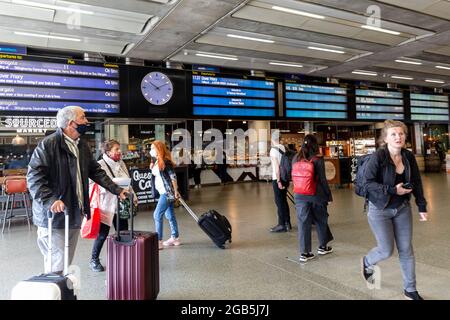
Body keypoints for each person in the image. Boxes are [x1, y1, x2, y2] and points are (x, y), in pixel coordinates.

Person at [27, 106, 128, 274]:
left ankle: (60, 292)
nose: (87, 121)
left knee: (65, 262)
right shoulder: (48, 145)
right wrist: (51, 200)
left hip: (73, 214)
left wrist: (117, 190)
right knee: (56, 266)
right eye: (83, 117)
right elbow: (33, 178)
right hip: (54, 216)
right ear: (71, 123)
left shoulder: (81, 145)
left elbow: (96, 171)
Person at [361, 120, 428, 300]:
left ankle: (410, 289)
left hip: (402, 208)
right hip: (379, 209)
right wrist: (392, 190)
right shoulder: (379, 157)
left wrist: (421, 205)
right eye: (393, 134)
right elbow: (367, 183)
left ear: (405, 136)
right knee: (386, 250)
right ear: (386, 139)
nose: (398, 137)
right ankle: (367, 261)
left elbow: (417, 181)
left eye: (401, 133)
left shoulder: (408, 156)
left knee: (406, 250)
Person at [89, 139, 138, 272]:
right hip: (107, 206)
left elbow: (128, 181)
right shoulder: (100, 165)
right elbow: (92, 184)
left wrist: (133, 196)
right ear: (108, 152)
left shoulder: (121, 163)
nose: (119, 151)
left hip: (122, 204)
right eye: (116, 149)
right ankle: (94, 260)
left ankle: (123, 258)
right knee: (102, 234)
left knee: (123, 232)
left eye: (119, 149)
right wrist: (111, 187)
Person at [293, 134, 333, 262]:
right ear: (315, 145)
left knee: (303, 223)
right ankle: (322, 247)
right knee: (321, 220)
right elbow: (322, 179)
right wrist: (328, 195)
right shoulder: (317, 159)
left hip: (299, 194)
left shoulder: (296, 158)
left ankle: (304, 253)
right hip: (316, 194)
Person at [150, 140, 181, 250]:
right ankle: (175, 237)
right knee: (170, 215)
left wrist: (176, 191)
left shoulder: (166, 161)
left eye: (153, 148)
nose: (151, 151)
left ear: (159, 149)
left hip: (167, 193)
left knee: (157, 214)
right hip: (164, 192)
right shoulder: (158, 161)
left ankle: (159, 241)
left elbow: (173, 176)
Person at [269, 137, 291, 232]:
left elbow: (276, 167)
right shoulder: (284, 148)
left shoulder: (273, 150)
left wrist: (278, 181)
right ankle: (287, 222)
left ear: (272, 139)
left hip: (278, 178)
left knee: (279, 202)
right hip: (286, 177)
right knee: (284, 200)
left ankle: (281, 224)